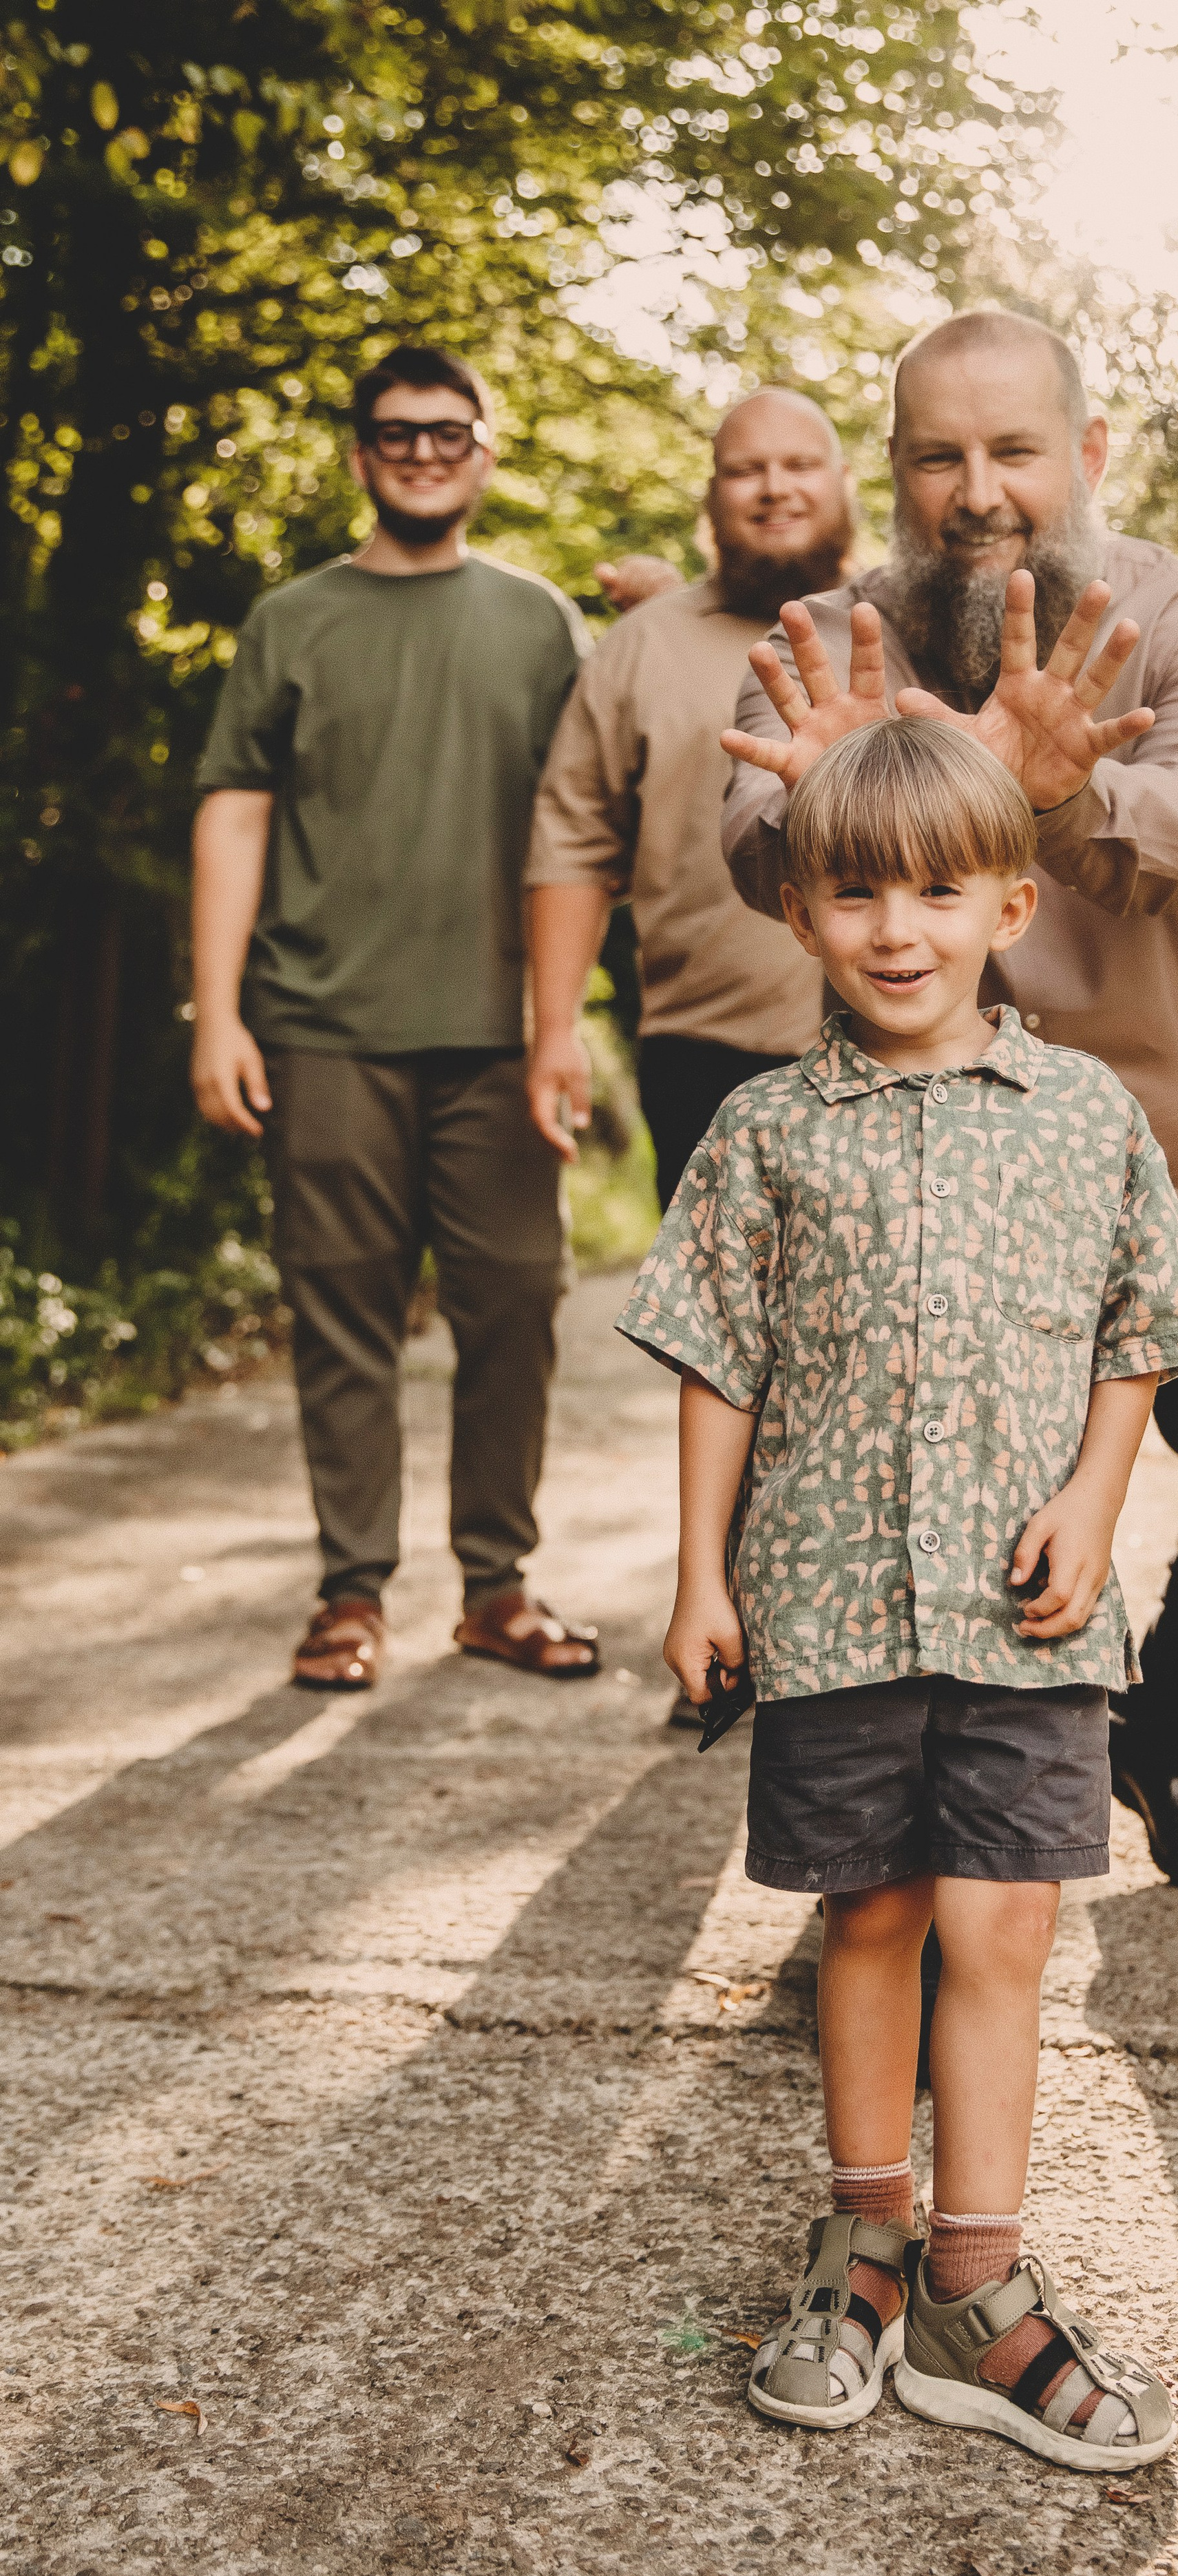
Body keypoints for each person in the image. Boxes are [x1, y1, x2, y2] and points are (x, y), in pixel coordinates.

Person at [618, 716, 1178, 2462]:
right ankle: (866, 2236)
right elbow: (715, 1362)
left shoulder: (1084, 1114)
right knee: (870, 1914)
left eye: (937, 891)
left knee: (1005, 1921)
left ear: (1007, 902)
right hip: (824, 1604)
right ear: (800, 911)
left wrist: (1095, 1497)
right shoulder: (759, 1131)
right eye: (855, 893)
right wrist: (694, 1577)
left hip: (1024, 1612)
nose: (897, 928)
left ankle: (978, 2283)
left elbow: (1139, 1331)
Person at [721, 308, 1178, 1901]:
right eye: (938, 454)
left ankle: (1158, 1744)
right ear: (893, 473)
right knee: (953, 1545)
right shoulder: (835, 634)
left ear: (1083, 455)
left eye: (1013, 449)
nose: (978, 490)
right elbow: (760, 848)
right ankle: (919, 1878)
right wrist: (845, 795)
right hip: (934, 1188)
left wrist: (1055, 788)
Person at [189, 342, 601, 1692]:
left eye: (446, 430)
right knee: (342, 1315)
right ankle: (350, 1595)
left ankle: (495, 1587)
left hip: (497, 1034)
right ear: (362, 452)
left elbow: (583, 827)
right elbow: (236, 810)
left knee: (515, 1311)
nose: (421, 451)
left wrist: (563, 1019)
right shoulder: (291, 622)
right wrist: (220, 1013)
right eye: (394, 431)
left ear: (483, 449)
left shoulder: (539, 622)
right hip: (323, 1027)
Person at [522, 387, 850, 1213]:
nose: (774, 487)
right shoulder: (642, 645)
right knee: (720, 1338)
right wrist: (555, 1030)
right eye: (747, 470)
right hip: (705, 1056)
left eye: (800, 465)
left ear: (845, 482)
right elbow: (572, 842)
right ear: (711, 496)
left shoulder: (908, 624)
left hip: (916, 1046)